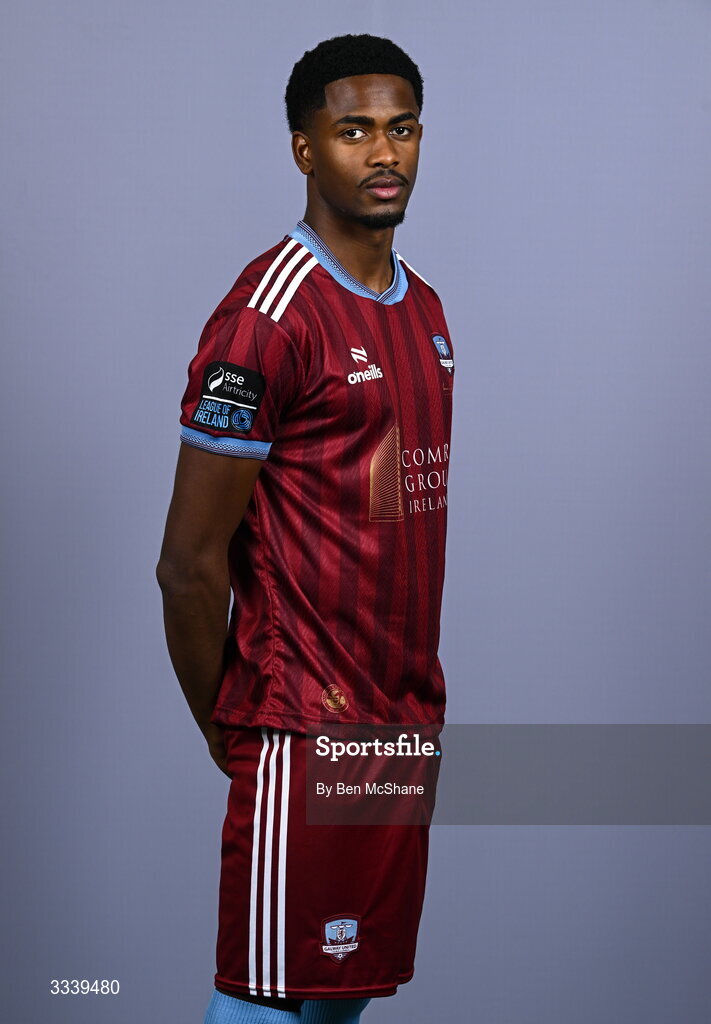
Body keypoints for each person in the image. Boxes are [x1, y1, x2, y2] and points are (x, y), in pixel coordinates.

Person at [156, 33, 455, 1024]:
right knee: (267, 1005)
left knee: (334, 1003)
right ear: (304, 150)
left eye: (401, 128)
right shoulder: (268, 318)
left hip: (400, 729)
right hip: (304, 728)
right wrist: (237, 731)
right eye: (354, 130)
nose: (383, 153)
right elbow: (189, 566)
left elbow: (372, 511)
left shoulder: (427, 315)